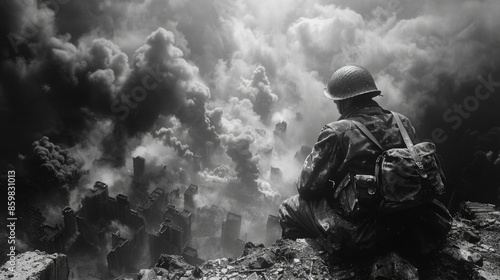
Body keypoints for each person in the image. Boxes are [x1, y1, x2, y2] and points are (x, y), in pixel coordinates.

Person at [279, 65, 452, 260]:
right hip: (421, 228)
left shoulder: (338, 131)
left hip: (368, 238)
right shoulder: (402, 122)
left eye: (337, 101)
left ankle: (319, 260)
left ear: (345, 101)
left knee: (289, 207)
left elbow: (307, 187)